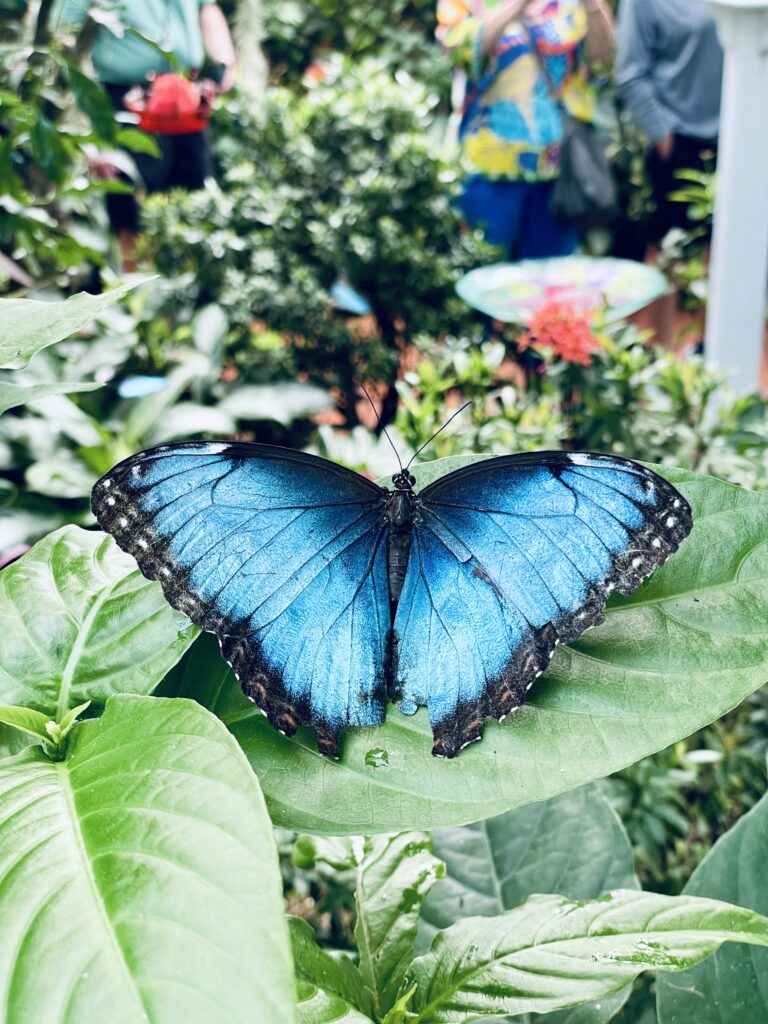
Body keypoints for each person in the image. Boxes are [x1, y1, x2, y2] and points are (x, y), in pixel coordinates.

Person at [53, 0, 236, 269]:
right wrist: (87, 126)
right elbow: (64, 34)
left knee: (193, 200)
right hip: (122, 98)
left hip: (183, 94)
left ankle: (184, 288)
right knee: (128, 205)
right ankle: (135, 290)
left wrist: (224, 64)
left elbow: (206, 8)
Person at [437, 0, 614, 260]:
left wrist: (593, 6)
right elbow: (459, 50)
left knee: (550, 283)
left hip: (557, 171)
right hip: (487, 169)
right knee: (485, 276)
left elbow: (602, 62)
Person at [616, 0, 723, 246]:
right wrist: (664, 137)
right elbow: (630, 74)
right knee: (679, 258)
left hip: (739, 141)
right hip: (680, 143)